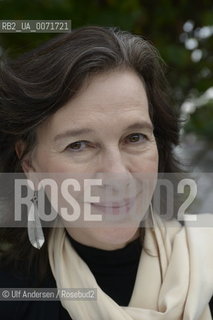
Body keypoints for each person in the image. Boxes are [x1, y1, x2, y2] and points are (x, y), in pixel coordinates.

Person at [0, 25, 212, 320]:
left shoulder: (207, 262)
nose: (117, 176)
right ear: (30, 165)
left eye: (134, 137)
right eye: (79, 145)